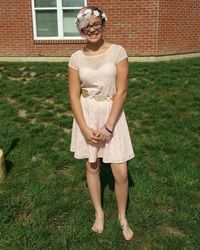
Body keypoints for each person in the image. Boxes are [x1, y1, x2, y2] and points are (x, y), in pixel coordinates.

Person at [68, 6, 135, 241]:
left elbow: (122, 90)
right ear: (80, 30)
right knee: (92, 166)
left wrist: (108, 126)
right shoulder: (76, 58)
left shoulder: (118, 52)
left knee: (121, 172)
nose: (92, 29)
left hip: (112, 115)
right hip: (87, 115)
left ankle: (122, 217)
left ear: (103, 25)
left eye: (96, 24)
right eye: (86, 26)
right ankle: (99, 213)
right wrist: (85, 128)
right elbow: (74, 96)